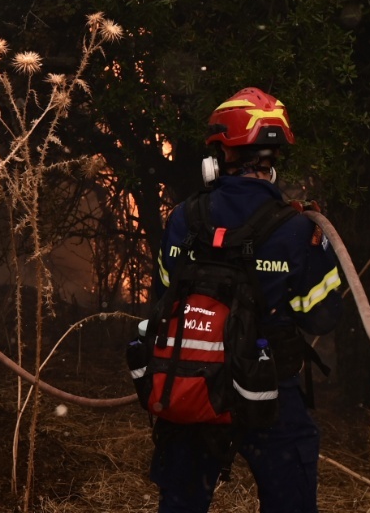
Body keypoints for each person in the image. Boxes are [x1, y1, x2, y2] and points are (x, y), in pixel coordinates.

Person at [147, 88, 342, 513]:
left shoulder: (183, 218)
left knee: (181, 501)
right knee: (290, 496)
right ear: (272, 159)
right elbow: (322, 317)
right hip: (267, 395)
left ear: (219, 154)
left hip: (192, 391)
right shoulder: (298, 227)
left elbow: (161, 297)